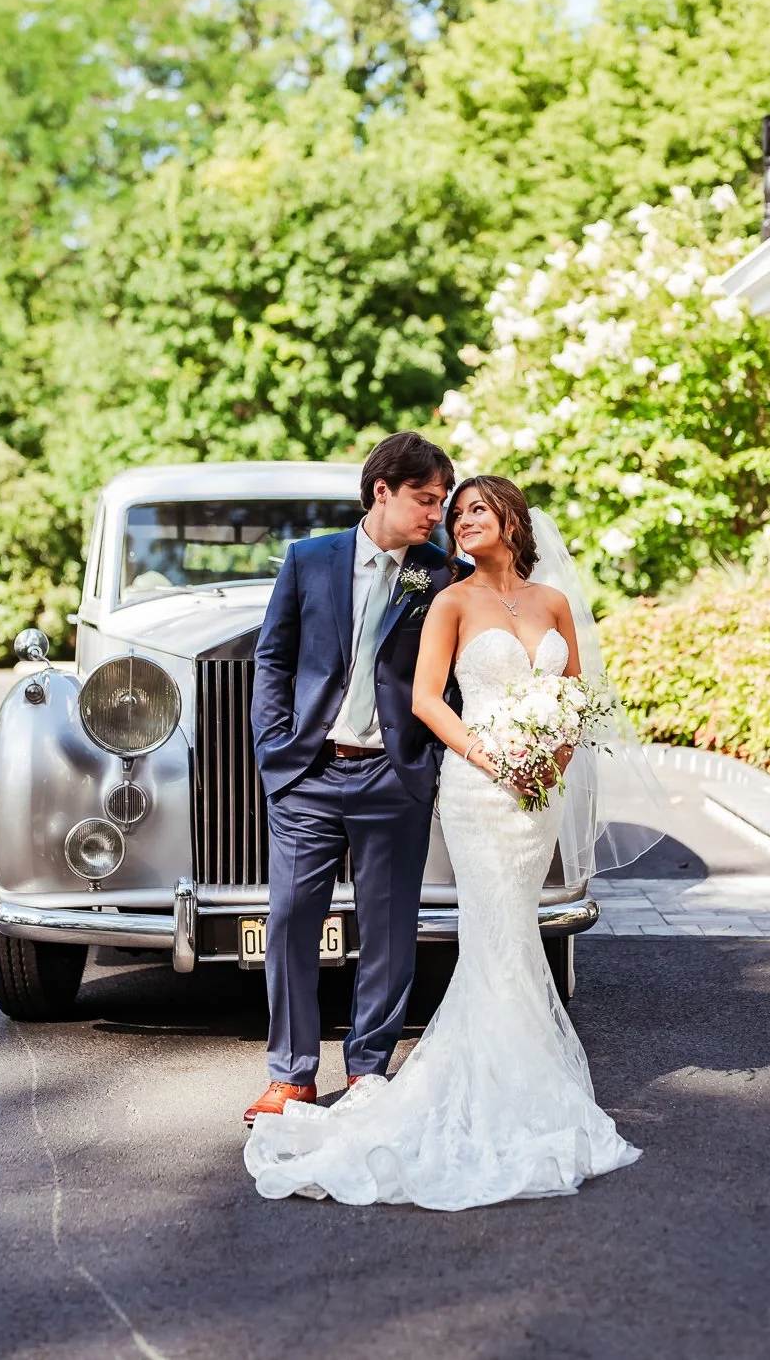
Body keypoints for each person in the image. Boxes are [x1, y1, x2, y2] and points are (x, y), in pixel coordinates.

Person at [244, 475, 648, 1207]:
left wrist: (548, 764)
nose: (453, 521)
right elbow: (425, 695)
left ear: (513, 520)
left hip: (534, 796)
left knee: (505, 932)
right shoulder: (448, 597)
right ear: (382, 492)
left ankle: (472, 1076)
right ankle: (303, 1074)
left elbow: (578, 700)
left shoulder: (542, 600)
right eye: (444, 509)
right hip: (475, 782)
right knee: (470, 931)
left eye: (468, 509)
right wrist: (497, 761)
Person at [243, 431, 461, 1127]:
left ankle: (369, 1069)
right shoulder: (309, 560)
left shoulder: (439, 574)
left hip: (392, 777)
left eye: (442, 502)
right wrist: (275, 748)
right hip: (309, 773)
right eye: (425, 500)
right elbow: (273, 659)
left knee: (390, 932)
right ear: (382, 492)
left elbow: (451, 676)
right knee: (289, 922)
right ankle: (291, 1076)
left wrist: (425, 762)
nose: (437, 514)